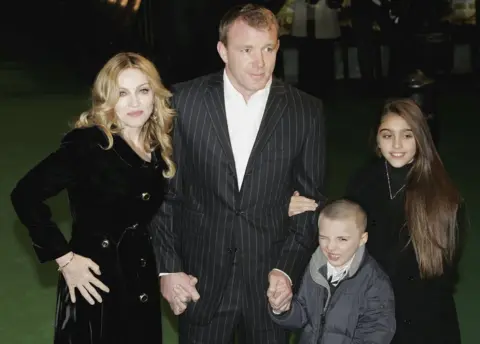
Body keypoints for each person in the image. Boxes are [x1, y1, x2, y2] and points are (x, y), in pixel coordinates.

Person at [150, 3, 326, 344]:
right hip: (200, 281)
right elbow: (166, 194)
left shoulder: (306, 111)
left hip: (269, 284)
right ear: (223, 51)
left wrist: (287, 269)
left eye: (268, 49)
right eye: (246, 50)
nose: (259, 62)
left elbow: (310, 205)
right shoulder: (184, 103)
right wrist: (169, 269)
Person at [10, 52, 177, 344]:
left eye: (143, 91)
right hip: (95, 281)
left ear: (155, 94)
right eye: (122, 93)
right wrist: (64, 258)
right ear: (106, 99)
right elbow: (25, 195)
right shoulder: (88, 145)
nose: (135, 103)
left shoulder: (158, 144)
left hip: (140, 276)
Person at [288, 98, 465, 344]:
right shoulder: (364, 180)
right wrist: (306, 206)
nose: (396, 145)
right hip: (373, 310)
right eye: (387, 135)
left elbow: (446, 276)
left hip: (425, 319)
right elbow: (344, 221)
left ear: (421, 140)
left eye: (407, 135)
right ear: (377, 142)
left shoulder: (444, 197)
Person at [270, 199, 396, 344]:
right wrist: (284, 308)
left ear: (362, 239)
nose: (330, 247)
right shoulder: (315, 267)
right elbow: (303, 315)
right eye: (323, 238)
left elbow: (377, 333)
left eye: (342, 239)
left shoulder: (375, 282)